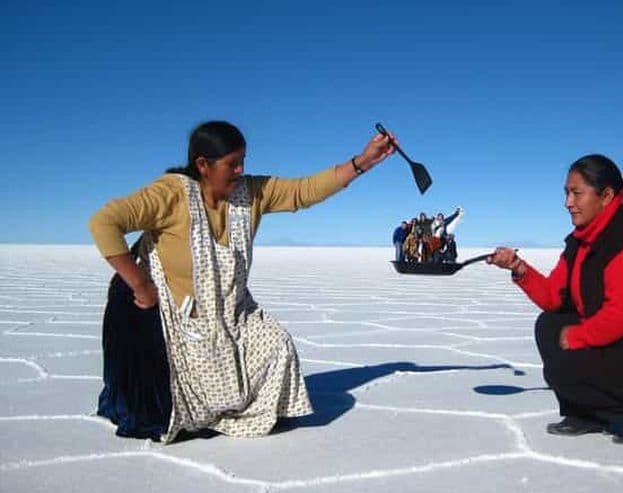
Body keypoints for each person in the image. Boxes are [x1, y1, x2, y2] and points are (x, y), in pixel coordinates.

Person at [89, 120, 395, 442]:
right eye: (232, 164)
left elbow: (303, 191)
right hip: (175, 318)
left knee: (277, 345)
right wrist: (140, 285)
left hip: (232, 311)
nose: (240, 170)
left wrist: (364, 161)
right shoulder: (172, 194)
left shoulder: (251, 194)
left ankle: (255, 413)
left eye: (243, 161)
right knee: (172, 404)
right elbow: (104, 222)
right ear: (203, 165)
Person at [487, 154, 623, 445]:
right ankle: (585, 414)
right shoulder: (583, 239)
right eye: (566, 193)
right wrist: (518, 267)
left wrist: (577, 337)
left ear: (606, 196)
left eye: (577, 193)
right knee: (550, 326)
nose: (568, 202)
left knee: (565, 352)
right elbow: (555, 297)